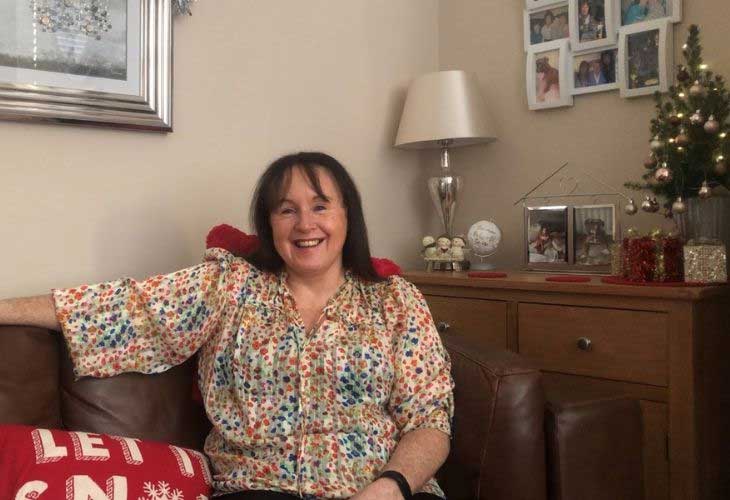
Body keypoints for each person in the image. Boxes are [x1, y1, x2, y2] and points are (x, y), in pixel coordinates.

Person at [0, 152, 454, 500]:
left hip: (383, 486)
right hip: (260, 486)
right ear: (269, 224)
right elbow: (125, 308)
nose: (305, 224)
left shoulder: (395, 299)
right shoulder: (229, 285)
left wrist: (391, 486)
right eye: (286, 210)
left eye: (321, 206)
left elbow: (430, 420)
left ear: (347, 217)